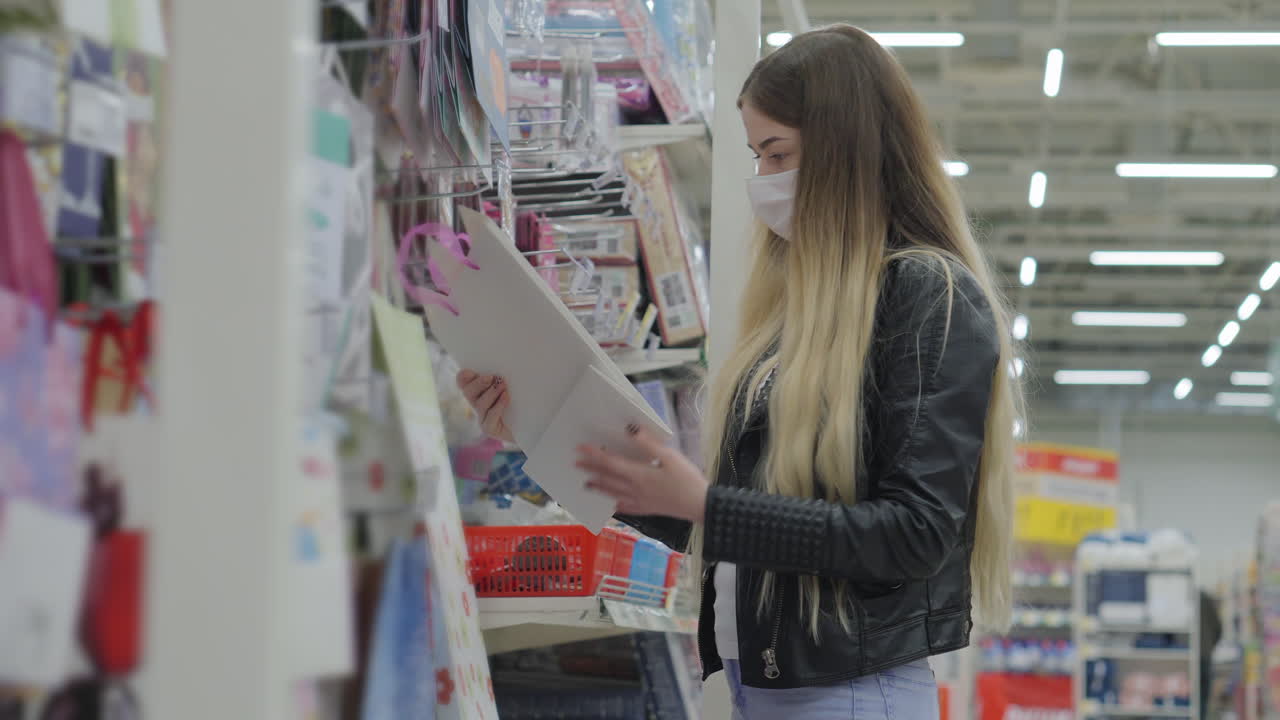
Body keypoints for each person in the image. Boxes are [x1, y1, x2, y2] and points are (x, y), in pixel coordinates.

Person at [457, 23, 1021, 719]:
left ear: (846, 151)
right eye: (758, 157)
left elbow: (914, 534)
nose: (763, 182)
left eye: (777, 154)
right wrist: (544, 428)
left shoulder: (929, 297)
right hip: (768, 691)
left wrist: (709, 505)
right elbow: (738, 531)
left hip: (849, 695)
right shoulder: (797, 322)